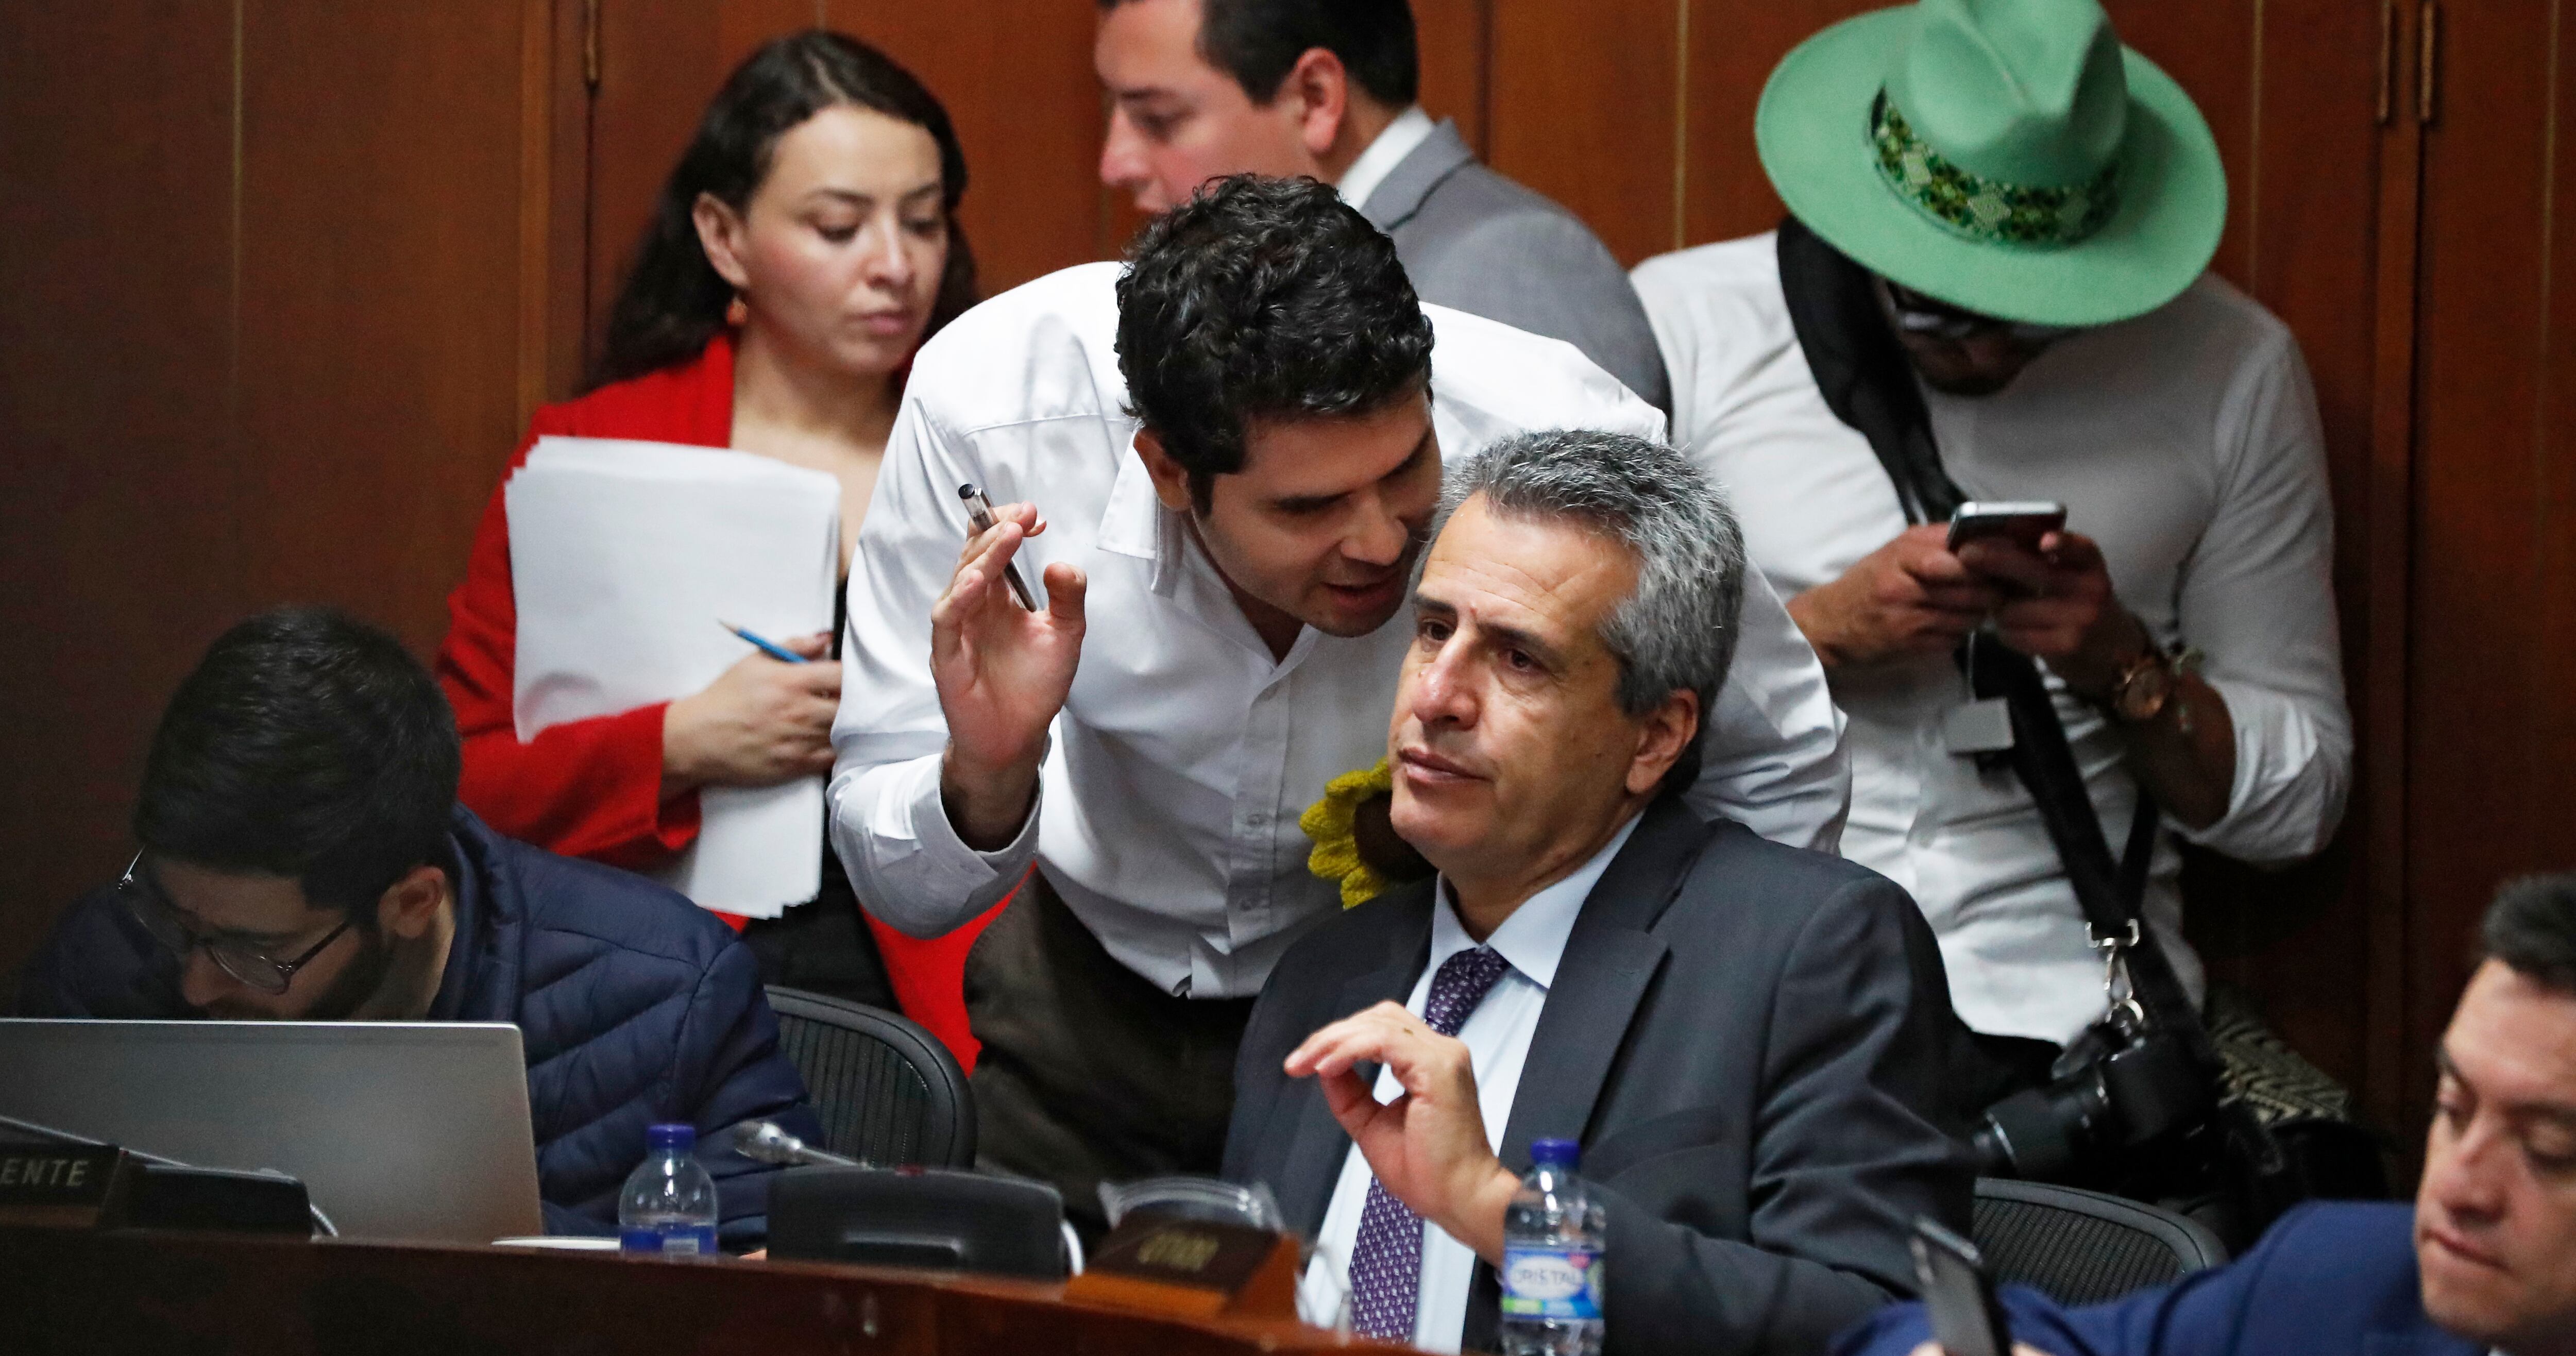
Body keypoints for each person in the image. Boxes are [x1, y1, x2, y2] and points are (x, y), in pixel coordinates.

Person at [833, 176, 1846, 1228]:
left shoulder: (1560, 437)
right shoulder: (992, 416)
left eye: (1406, 467)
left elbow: (1778, 754)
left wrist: (1651, 1021)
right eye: (1309, 506)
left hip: (1420, 1015)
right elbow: (896, 873)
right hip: (1082, 1008)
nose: (1378, 540)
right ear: (1169, 470)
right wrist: (988, 772)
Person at [1631, 0, 2349, 1103]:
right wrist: (1809, 636)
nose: (1980, 347)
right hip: (1738, 993)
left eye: (2037, 318)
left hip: (2065, 1023)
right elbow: (1562, 690)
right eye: (1933, 315)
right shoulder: (1688, 326)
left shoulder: (2228, 368)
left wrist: (2120, 665)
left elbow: (2298, 800)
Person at [1224, 429, 1969, 1356]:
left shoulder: (1809, 950)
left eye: (1520, 659)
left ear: (1654, 735)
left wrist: (1506, 1215)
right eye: (1434, 627)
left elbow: (1871, 1333)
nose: (1438, 695)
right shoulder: (1327, 973)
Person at [434, 31, 986, 1060]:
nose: (895, 265)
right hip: (651, 976)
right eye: (838, 226)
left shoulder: (997, 446)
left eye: (923, 221)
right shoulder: (590, 452)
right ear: (724, 239)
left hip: (945, 989)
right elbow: (464, 785)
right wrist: (680, 743)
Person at [1827, 874, 2576, 1356]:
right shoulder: (2339, 1286)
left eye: (2545, 1150)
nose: (2461, 1183)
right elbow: (1892, 1347)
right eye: (2453, 1109)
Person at [18, 607, 821, 1243]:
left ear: (411, 902)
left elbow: (774, 1282)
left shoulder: (668, 989)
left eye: (253, 953)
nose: (196, 983)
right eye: (178, 921)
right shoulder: (111, 954)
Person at [1095, 0, 1670, 415]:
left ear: (1314, 97)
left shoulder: (1512, 261)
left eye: (1158, 118)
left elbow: (1582, 559)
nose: (1114, 164)